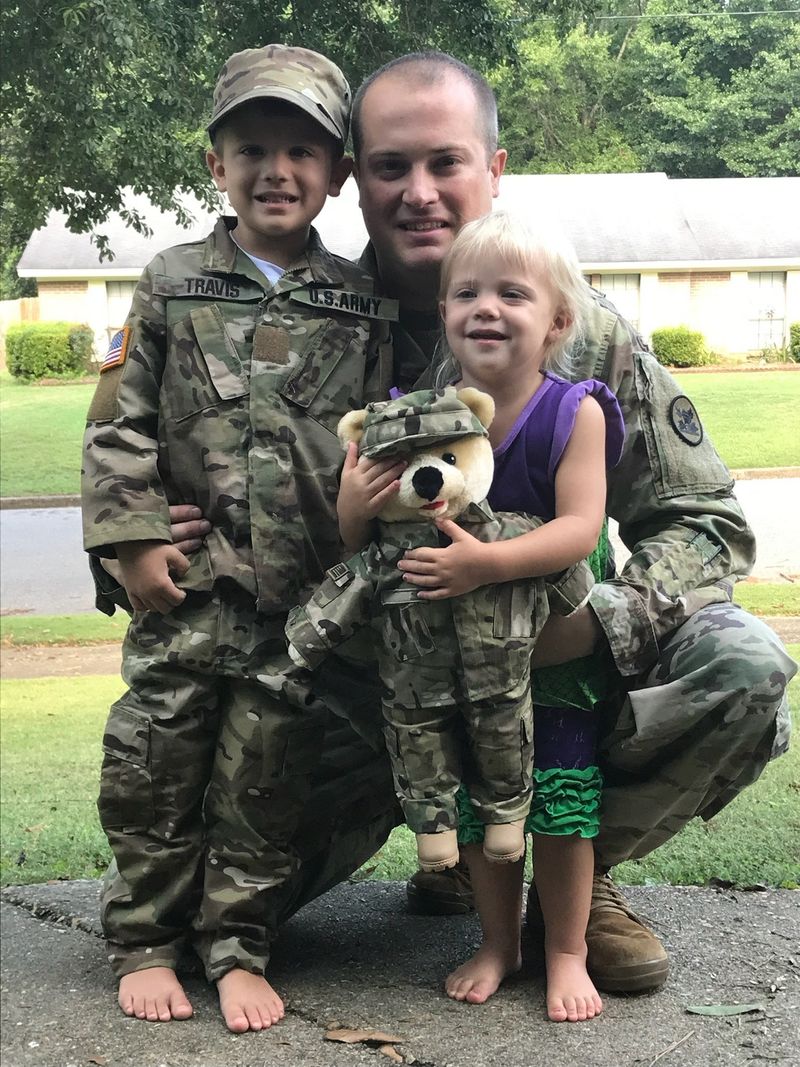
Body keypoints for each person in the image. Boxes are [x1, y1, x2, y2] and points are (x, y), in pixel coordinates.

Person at [93, 50, 795, 1001]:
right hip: (352, 683)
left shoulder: (579, 329)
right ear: (355, 177)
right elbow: (148, 427)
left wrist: (597, 622)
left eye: (446, 162)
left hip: (541, 664)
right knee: (213, 913)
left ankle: (566, 881)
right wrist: (146, 526)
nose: (418, 192)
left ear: (494, 168)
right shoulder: (312, 310)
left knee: (741, 667)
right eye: (391, 166)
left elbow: (707, 521)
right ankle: (459, 850)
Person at [81, 43, 398, 1033]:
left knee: (266, 779)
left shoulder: (362, 303)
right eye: (252, 147)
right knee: (154, 765)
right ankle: (145, 937)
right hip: (190, 595)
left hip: (299, 606)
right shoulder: (171, 284)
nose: (278, 170)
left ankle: (238, 944)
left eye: (303, 150)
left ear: (337, 173)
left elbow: (382, 442)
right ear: (215, 164)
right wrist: (129, 544)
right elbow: (117, 426)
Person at [381, 209, 619, 1020]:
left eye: (511, 293)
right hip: (463, 665)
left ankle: (564, 949)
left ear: (555, 321)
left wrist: (483, 563)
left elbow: (580, 529)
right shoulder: (432, 414)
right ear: (445, 312)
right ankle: (496, 941)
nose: (485, 307)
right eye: (465, 292)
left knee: (556, 805)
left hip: (550, 658)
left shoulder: (573, 411)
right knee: (487, 807)